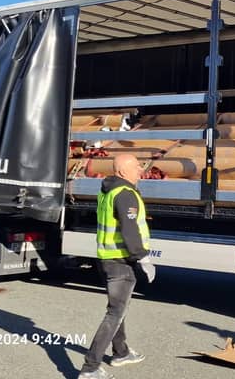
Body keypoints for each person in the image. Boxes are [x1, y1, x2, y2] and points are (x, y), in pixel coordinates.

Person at [78, 154, 156, 379]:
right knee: (115, 313)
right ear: (122, 171)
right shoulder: (125, 194)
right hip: (120, 262)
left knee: (117, 308)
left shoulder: (108, 190)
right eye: (136, 167)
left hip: (106, 258)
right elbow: (130, 230)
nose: (140, 170)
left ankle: (121, 352)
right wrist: (143, 258)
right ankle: (90, 368)